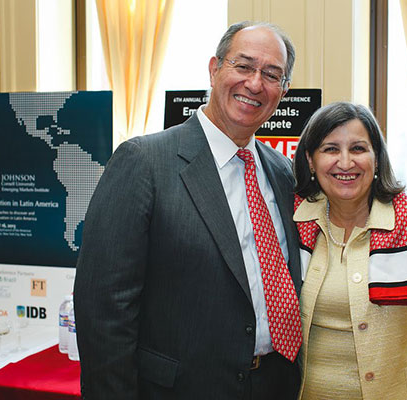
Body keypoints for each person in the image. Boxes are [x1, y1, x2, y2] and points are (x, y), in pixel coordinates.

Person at [74, 21, 303, 400]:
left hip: (275, 386)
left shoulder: (282, 173)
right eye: (243, 66)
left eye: (271, 74)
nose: (255, 84)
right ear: (214, 69)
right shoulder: (144, 162)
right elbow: (104, 310)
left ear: (284, 90)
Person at [292, 102, 407, 399]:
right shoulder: (292, 221)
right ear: (311, 161)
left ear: (377, 158)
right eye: (331, 149)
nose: (346, 162)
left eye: (359, 149)